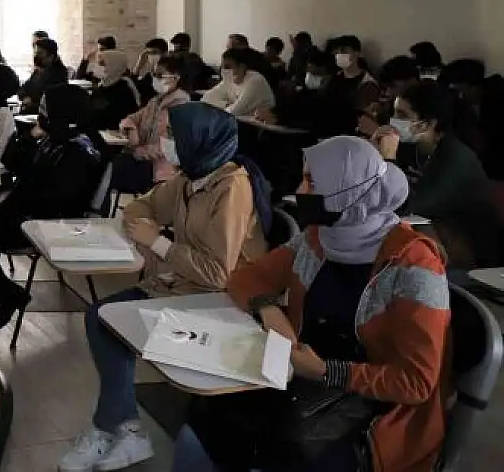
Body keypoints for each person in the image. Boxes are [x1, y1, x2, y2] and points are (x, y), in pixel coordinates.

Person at [175, 136, 448, 472]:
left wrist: (325, 371)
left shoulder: (416, 265)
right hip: (301, 373)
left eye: (311, 181)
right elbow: (246, 278)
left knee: (279, 452)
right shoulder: (319, 236)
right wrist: (268, 308)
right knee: (202, 421)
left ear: (348, 192)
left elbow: (416, 382)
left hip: (375, 408)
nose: (301, 190)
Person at [59, 101, 271, 472]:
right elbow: (140, 207)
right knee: (101, 319)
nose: (164, 140)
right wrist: (148, 228)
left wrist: (158, 243)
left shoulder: (232, 187)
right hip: (182, 284)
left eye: (173, 134)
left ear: (199, 139)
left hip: (221, 300)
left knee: (107, 321)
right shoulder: (192, 176)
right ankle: (126, 428)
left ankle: (110, 428)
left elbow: (219, 274)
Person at [0, 85, 106, 337]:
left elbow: (56, 198)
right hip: (23, 213)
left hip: (47, 224)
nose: (41, 113)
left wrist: (11, 206)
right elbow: (13, 164)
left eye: (46, 108)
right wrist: (28, 139)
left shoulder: (83, 148)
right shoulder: (58, 136)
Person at [374, 81, 498, 266]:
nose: (393, 120)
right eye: (394, 112)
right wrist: (373, 154)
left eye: (402, 115)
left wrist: (388, 159)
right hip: (427, 229)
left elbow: (405, 206)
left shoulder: (454, 157)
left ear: (428, 123)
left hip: (466, 242)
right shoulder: (410, 147)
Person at [111, 56, 190, 196]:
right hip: (144, 162)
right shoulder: (155, 102)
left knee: (111, 168)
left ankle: (96, 210)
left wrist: (138, 152)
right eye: (154, 74)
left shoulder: (182, 107)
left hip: (161, 169)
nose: (155, 79)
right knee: (108, 164)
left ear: (176, 78)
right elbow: (129, 119)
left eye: (160, 75)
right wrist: (131, 128)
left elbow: (168, 147)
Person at [201, 47, 276, 117]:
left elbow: (235, 111)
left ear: (242, 67)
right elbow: (205, 99)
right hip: (242, 122)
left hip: (262, 127)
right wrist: (226, 105)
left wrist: (222, 106)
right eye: (223, 67)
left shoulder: (255, 81)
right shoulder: (228, 80)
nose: (223, 70)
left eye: (227, 67)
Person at [85, 43, 139, 130]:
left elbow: (113, 117)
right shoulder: (103, 84)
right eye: (99, 64)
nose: (99, 67)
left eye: (102, 64)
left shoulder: (124, 89)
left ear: (114, 66)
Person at [326, 35, 380, 110]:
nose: (339, 55)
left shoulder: (368, 84)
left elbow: (361, 113)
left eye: (343, 51)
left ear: (357, 53)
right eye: (336, 52)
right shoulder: (334, 77)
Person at [19, 38, 69, 114]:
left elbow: (50, 100)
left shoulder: (59, 73)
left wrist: (31, 103)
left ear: (51, 56)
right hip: (30, 113)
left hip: (46, 116)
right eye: (35, 53)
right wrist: (25, 97)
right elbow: (23, 88)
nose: (36, 56)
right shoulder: (38, 71)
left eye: (40, 53)